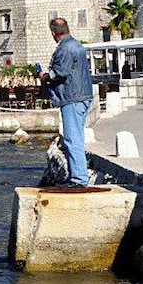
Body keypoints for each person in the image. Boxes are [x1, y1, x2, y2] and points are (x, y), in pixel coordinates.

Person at [41, 17, 93, 189]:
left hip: (72, 98)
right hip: (82, 96)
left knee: (72, 139)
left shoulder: (65, 48)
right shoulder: (77, 45)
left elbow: (59, 72)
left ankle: (79, 179)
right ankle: (78, 176)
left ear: (53, 33)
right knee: (76, 137)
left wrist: (44, 76)